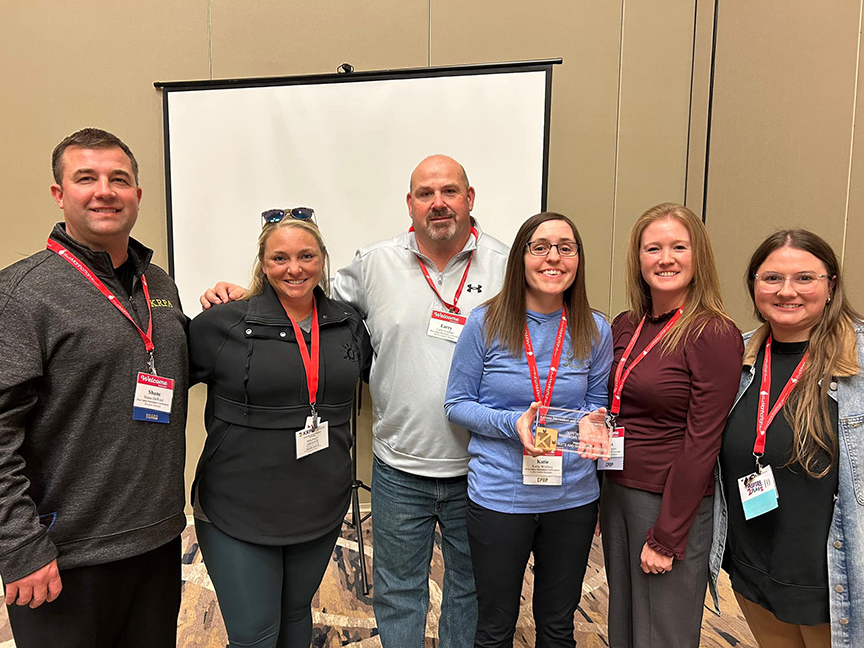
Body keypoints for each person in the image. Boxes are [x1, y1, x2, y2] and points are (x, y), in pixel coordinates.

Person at [200, 155, 510, 648]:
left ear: (470, 198)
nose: (438, 203)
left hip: (482, 465)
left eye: (449, 191)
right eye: (425, 194)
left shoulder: (509, 267)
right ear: (409, 205)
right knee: (397, 590)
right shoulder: (374, 263)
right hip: (398, 467)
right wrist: (247, 297)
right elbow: (302, 300)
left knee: (469, 590)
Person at [0, 128, 188, 647]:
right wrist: (20, 547)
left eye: (119, 180)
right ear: (60, 194)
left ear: (137, 196)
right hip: (63, 555)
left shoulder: (159, 284)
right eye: (87, 178)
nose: (105, 190)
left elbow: (178, 367)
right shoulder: (22, 294)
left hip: (155, 539)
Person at [188, 212, 370, 648]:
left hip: (319, 503)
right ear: (263, 264)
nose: (295, 268)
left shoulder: (347, 324)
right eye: (280, 258)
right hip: (239, 506)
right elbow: (164, 388)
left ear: (323, 259)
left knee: (294, 616)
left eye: (307, 255)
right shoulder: (222, 324)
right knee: (255, 635)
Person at [444, 212, 613, 647]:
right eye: (540, 247)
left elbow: (596, 402)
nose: (553, 257)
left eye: (566, 247)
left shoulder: (595, 328)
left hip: (572, 498)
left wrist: (595, 421)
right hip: (501, 495)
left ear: (578, 259)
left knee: (558, 626)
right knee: (496, 626)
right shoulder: (485, 323)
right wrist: (511, 423)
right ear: (521, 257)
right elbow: (457, 404)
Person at [709, 230, 863, 648]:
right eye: (771, 278)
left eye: (805, 278)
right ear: (754, 285)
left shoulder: (859, 360)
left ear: (831, 285)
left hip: (833, 580)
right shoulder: (736, 356)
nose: (787, 291)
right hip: (752, 565)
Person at [600, 202, 743, 647]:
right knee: (624, 623)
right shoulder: (627, 324)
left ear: (697, 255)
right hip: (618, 492)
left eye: (678, 247)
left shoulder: (713, 333)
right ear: (638, 259)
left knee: (663, 633)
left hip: (668, 502)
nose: (665, 259)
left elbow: (703, 441)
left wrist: (666, 535)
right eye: (653, 248)